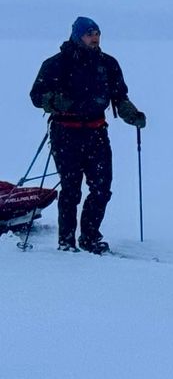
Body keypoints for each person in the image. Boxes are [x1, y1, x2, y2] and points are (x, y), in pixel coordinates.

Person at [28, 17, 147, 253]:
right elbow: (36, 96)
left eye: (97, 33)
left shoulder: (108, 64)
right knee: (71, 189)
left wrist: (131, 114)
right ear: (77, 36)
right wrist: (54, 101)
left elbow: (119, 97)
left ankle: (90, 237)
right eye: (89, 33)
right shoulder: (56, 64)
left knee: (102, 188)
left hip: (97, 132)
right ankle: (66, 241)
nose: (95, 37)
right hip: (65, 133)